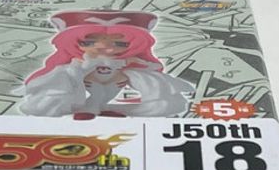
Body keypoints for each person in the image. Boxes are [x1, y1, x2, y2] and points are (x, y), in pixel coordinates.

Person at [18, 10, 191, 119]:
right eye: (89, 42)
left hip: (115, 81)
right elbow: (79, 70)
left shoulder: (124, 61)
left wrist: (137, 67)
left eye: (120, 43)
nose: (104, 47)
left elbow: (144, 66)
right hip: (90, 81)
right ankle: (87, 110)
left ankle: (104, 109)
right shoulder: (81, 60)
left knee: (106, 95)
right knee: (97, 94)